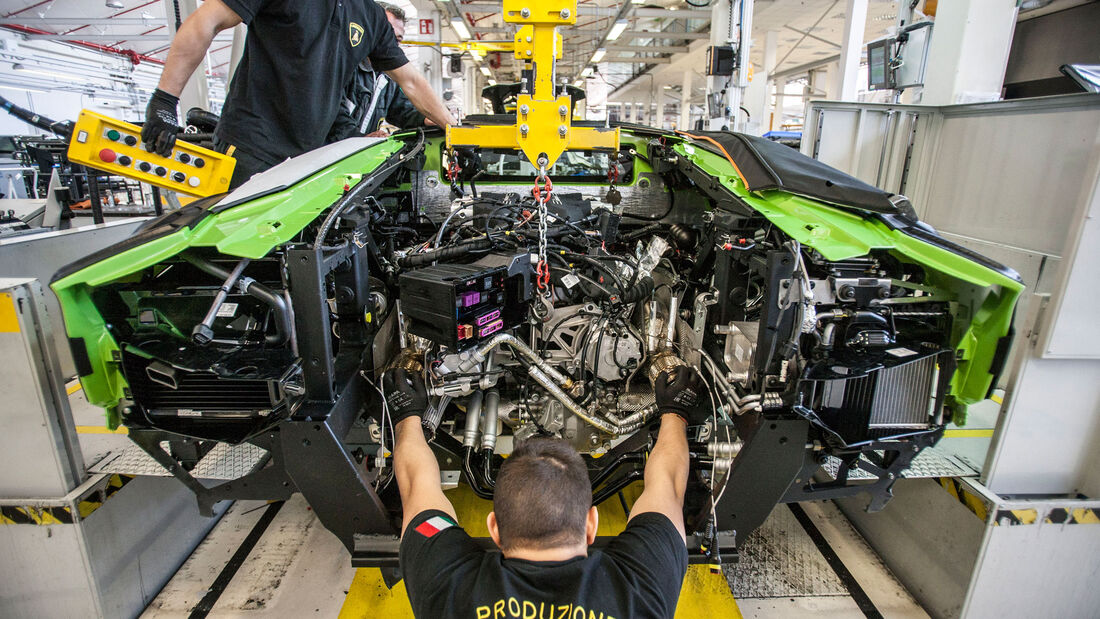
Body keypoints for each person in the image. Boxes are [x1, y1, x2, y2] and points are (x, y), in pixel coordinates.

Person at [383, 364, 707, 618]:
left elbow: (417, 487)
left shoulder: (446, 589)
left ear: (494, 528)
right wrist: (675, 412)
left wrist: (406, 415)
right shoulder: (641, 592)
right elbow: (667, 484)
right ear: (591, 524)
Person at [141, 0, 457, 189]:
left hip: (311, 158)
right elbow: (205, 22)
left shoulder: (370, 15)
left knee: (296, 264)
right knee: (242, 261)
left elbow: (411, 81)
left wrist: (454, 131)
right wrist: (166, 101)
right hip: (252, 146)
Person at [327, 2, 432, 142]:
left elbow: (401, 110)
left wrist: (426, 119)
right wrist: (358, 138)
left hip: (358, 154)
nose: (390, 43)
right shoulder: (345, 65)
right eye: (387, 34)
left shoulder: (388, 78)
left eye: (398, 39)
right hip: (326, 153)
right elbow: (333, 113)